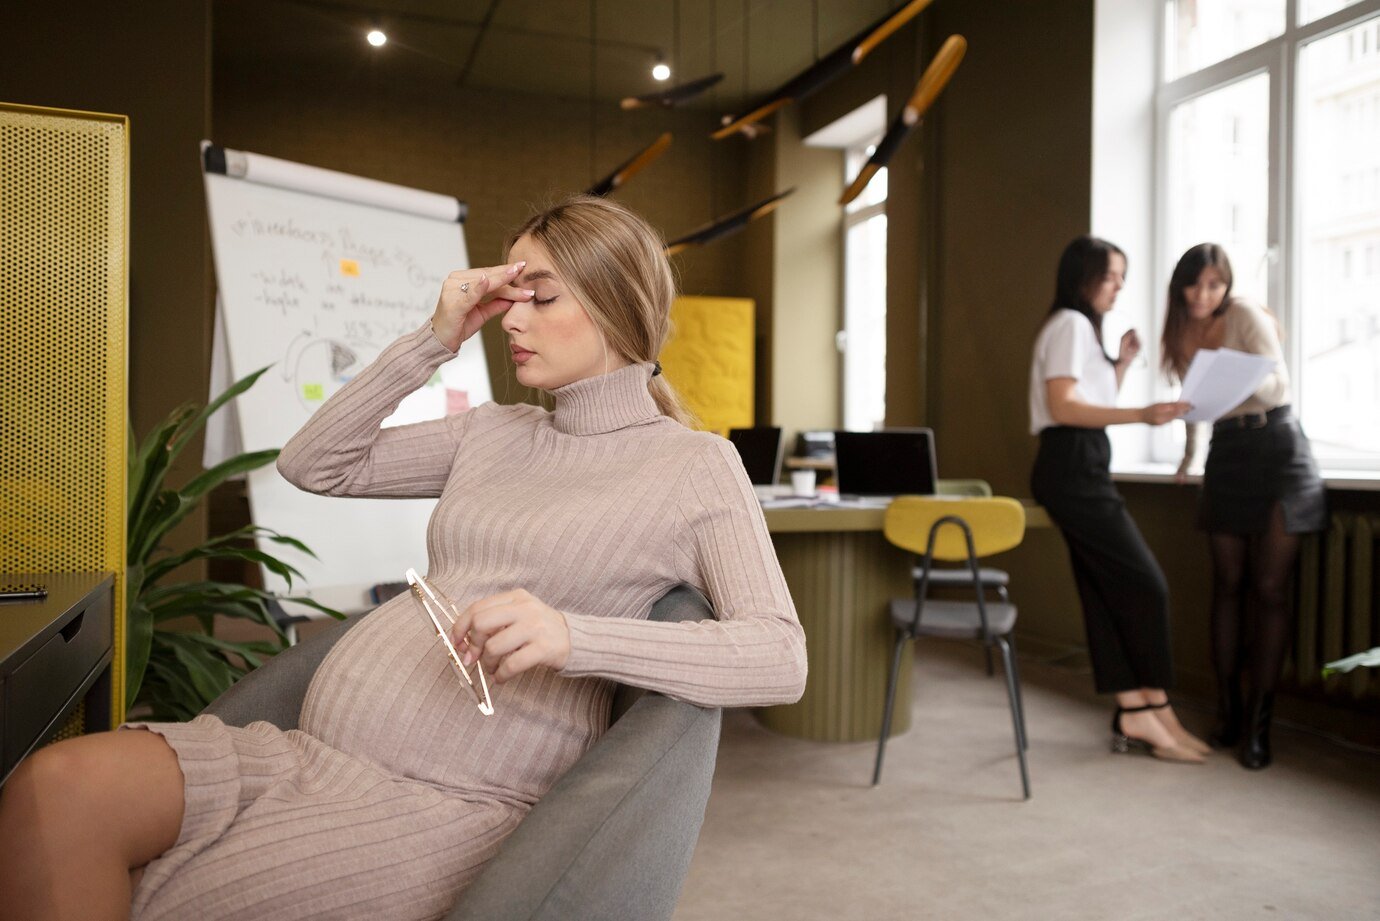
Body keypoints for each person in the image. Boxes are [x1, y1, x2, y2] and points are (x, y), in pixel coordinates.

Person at [0, 195, 808, 920]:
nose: (513, 321)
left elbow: (780, 654)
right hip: (302, 754)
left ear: (619, 308)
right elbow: (314, 463)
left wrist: (574, 635)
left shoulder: (692, 467)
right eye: (508, 299)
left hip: (439, 802)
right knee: (50, 793)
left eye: (543, 298)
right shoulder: (494, 431)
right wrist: (433, 338)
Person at [1028, 235, 1207, 764]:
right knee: (1146, 584)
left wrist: (1121, 366)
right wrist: (1143, 414)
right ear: (1082, 278)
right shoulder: (1069, 325)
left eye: (1122, 278)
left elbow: (1087, 398)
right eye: (1110, 276)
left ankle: (1140, 711)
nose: (1118, 286)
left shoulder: (1084, 332)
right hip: (1071, 465)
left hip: (1079, 463)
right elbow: (1064, 407)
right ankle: (1157, 704)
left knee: (1105, 591)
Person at [1160, 243, 1325, 770]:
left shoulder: (1246, 314)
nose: (1204, 295)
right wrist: (1187, 458)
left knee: (1270, 589)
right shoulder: (1180, 329)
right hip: (1226, 454)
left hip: (1276, 446)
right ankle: (1227, 710)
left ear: (1226, 284)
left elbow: (1280, 384)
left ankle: (1260, 725)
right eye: (1194, 285)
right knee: (1228, 585)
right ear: (1180, 286)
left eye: (1214, 284)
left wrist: (1240, 377)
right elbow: (1191, 403)